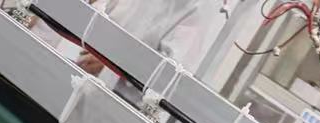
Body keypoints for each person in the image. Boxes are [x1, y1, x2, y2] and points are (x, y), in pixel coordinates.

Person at [77, 0, 230, 75]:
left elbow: (169, 71)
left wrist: (113, 61)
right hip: (81, 69)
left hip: (119, 102)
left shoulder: (204, 6)